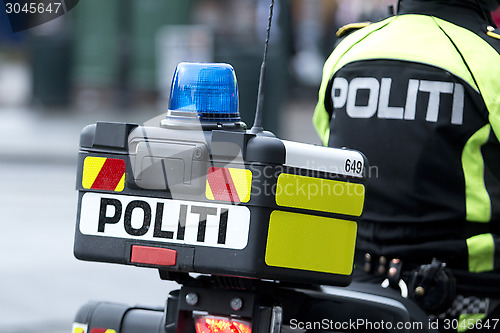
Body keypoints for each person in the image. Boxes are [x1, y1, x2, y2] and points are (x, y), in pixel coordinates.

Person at [313, 0, 500, 328]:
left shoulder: (349, 51)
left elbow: (330, 144)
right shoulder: (490, 60)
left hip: (352, 296)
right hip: (467, 306)